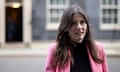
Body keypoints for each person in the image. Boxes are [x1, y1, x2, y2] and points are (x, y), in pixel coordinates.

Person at [45, 4, 109, 72]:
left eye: (82, 22)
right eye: (73, 23)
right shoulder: (55, 50)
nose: (79, 27)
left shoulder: (99, 49)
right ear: (66, 28)